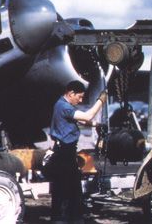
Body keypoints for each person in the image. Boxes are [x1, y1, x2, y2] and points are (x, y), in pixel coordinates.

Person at [49, 80, 107, 223]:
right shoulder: (64, 106)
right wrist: (101, 100)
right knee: (69, 190)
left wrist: (96, 125)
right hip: (65, 154)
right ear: (71, 93)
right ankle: (67, 219)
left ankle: (66, 218)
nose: (80, 100)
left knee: (68, 189)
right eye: (79, 97)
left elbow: (81, 121)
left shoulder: (62, 105)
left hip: (64, 152)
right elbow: (87, 116)